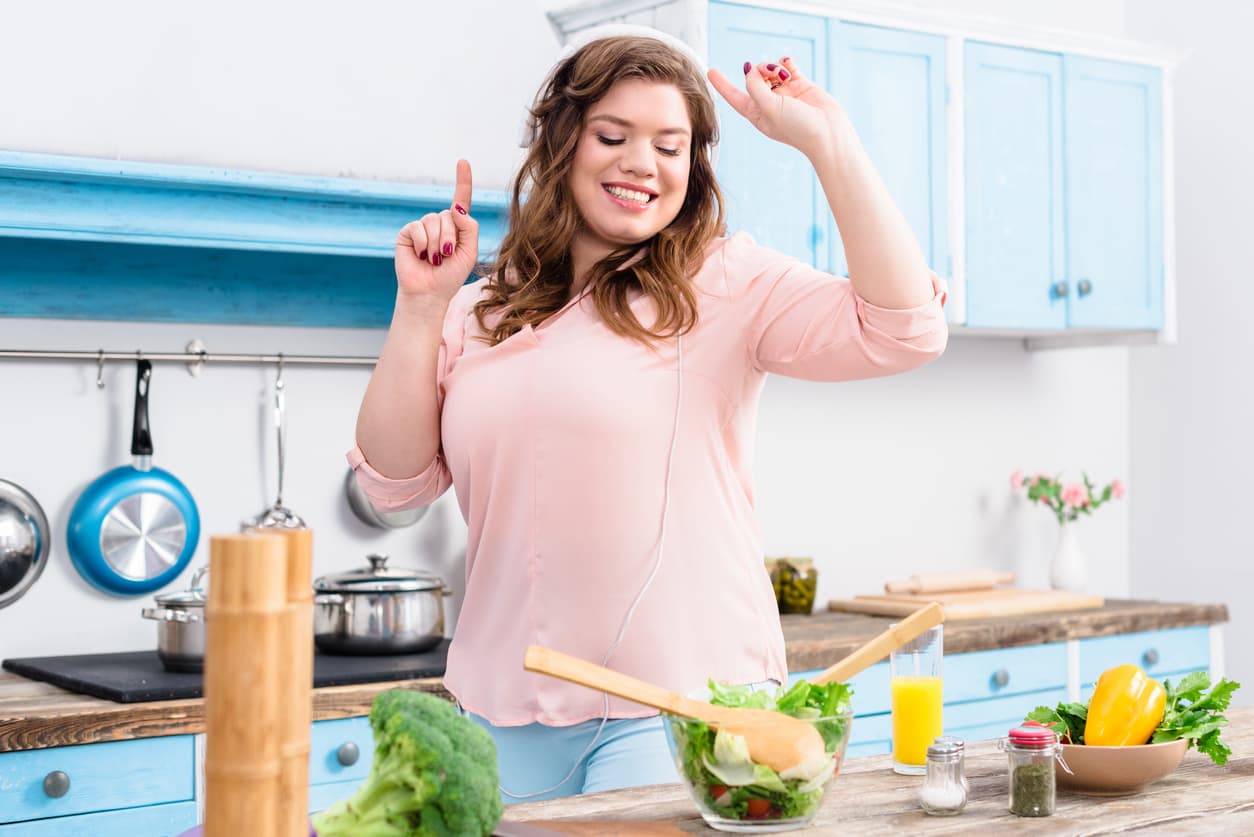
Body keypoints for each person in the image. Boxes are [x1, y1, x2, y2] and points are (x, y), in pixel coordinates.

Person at [348, 27, 947, 802]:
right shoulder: (477, 311)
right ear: (563, 143)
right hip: (495, 711)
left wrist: (829, 143)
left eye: (671, 146)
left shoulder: (726, 283)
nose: (642, 163)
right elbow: (393, 486)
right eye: (613, 135)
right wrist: (420, 309)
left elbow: (905, 329)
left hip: (677, 712)